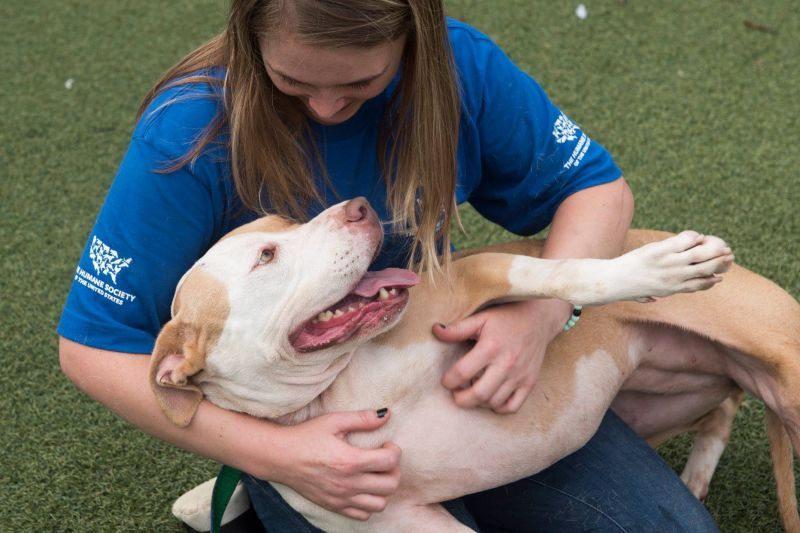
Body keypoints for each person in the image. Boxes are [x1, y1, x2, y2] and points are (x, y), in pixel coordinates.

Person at [58, 0, 718, 531]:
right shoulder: (190, 129)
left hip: (436, 366)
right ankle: (261, 486)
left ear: (415, 39)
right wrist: (279, 455)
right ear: (248, 35)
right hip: (305, 420)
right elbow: (91, 346)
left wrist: (543, 316)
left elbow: (597, 189)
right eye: (291, 80)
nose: (323, 106)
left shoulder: (460, 70)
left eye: (361, 83)